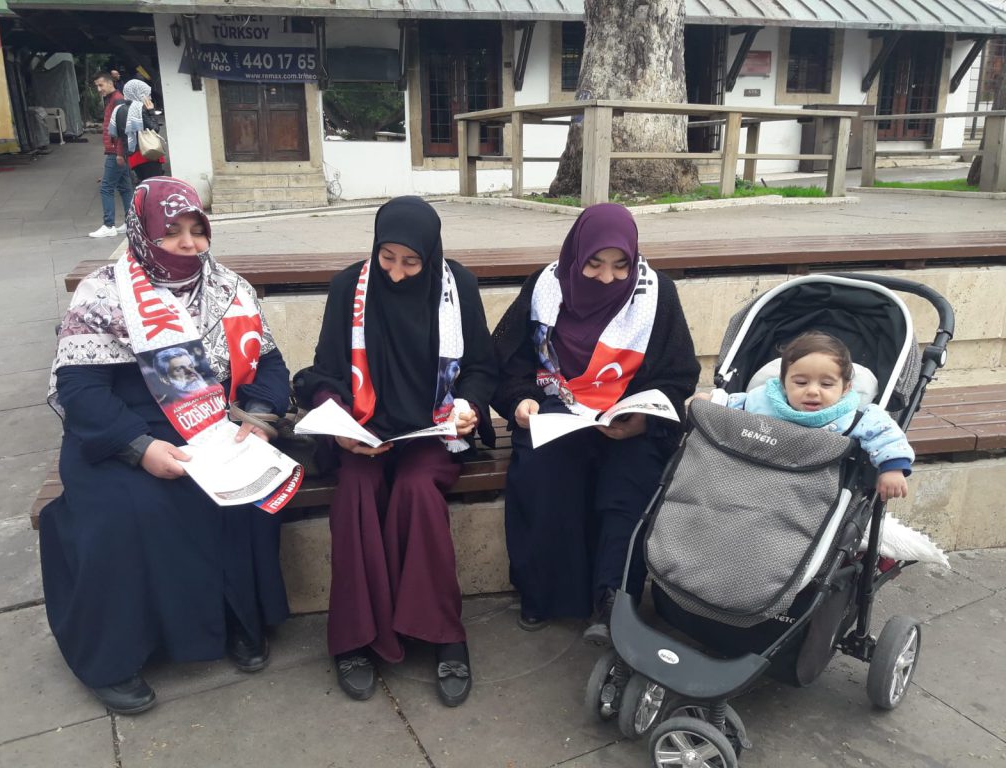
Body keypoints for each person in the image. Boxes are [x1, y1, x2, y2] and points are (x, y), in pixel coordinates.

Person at [41, 177, 292, 715]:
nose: (188, 243)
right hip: (122, 434)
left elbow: (269, 364)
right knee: (131, 510)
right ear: (141, 233)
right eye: (171, 232)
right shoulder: (104, 292)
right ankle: (114, 657)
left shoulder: (229, 288)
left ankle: (238, 621)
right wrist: (139, 448)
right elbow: (80, 388)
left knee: (250, 494)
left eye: (196, 230)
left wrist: (261, 418)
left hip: (213, 428)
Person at [292, 196, 497, 708]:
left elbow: (480, 367)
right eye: (387, 258)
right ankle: (354, 638)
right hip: (364, 433)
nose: (398, 273)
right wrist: (338, 422)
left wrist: (468, 406)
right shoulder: (349, 287)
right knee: (356, 490)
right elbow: (326, 372)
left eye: (411, 262)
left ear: (431, 254)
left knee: (417, 490)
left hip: (431, 432)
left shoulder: (457, 286)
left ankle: (444, 634)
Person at [491, 203, 700, 644]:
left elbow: (678, 375)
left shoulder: (657, 293)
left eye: (621, 265)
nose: (607, 278)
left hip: (628, 422)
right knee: (544, 469)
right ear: (575, 255)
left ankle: (614, 599)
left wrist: (644, 420)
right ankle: (544, 594)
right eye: (595, 264)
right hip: (558, 410)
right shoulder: (544, 287)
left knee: (632, 478)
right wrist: (520, 402)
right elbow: (507, 363)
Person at [698, 330, 913, 501]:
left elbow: (885, 433)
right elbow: (732, 404)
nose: (812, 391)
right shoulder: (763, 401)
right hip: (752, 479)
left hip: (811, 492)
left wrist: (892, 468)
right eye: (801, 383)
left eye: (826, 384)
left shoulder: (852, 417)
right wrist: (710, 400)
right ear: (784, 383)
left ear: (846, 388)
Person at [89, 71, 132, 238]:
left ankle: (109, 225)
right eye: (97, 86)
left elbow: (122, 130)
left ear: (109, 83)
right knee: (125, 188)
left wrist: (119, 153)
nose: (99, 89)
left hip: (116, 151)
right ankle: (130, 223)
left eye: (101, 85)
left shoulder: (117, 100)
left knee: (106, 188)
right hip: (118, 151)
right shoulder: (113, 99)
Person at [111, 78, 166, 182]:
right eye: (146, 94)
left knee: (143, 184)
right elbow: (155, 128)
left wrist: (120, 154)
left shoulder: (119, 109)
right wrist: (151, 111)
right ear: (138, 94)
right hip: (147, 153)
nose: (149, 97)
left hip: (133, 155)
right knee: (154, 185)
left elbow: (118, 134)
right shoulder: (139, 110)